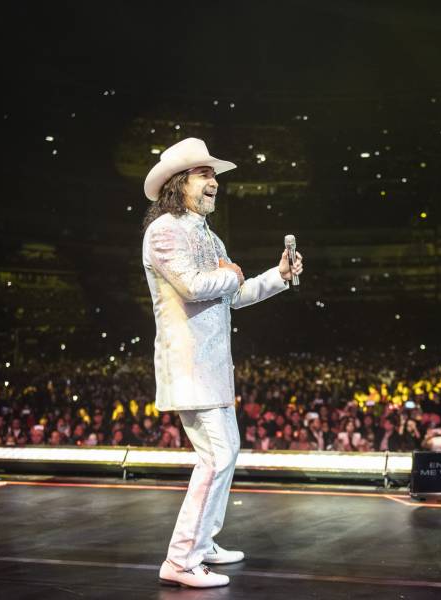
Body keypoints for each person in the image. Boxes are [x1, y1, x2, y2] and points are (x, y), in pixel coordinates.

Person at [141, 138, 303, 588]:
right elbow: (195, 286)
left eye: (214, 174)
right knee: (216, 456)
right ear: (179, 183)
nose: (215, 182)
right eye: (204, 174)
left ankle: (203, 541)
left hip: (214, 366)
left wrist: (278, 277)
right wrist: (230, 274)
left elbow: (233, 296)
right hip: (190, 364)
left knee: (224, 456)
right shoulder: (164, 231)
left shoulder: (208, 234)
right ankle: (180, 559)